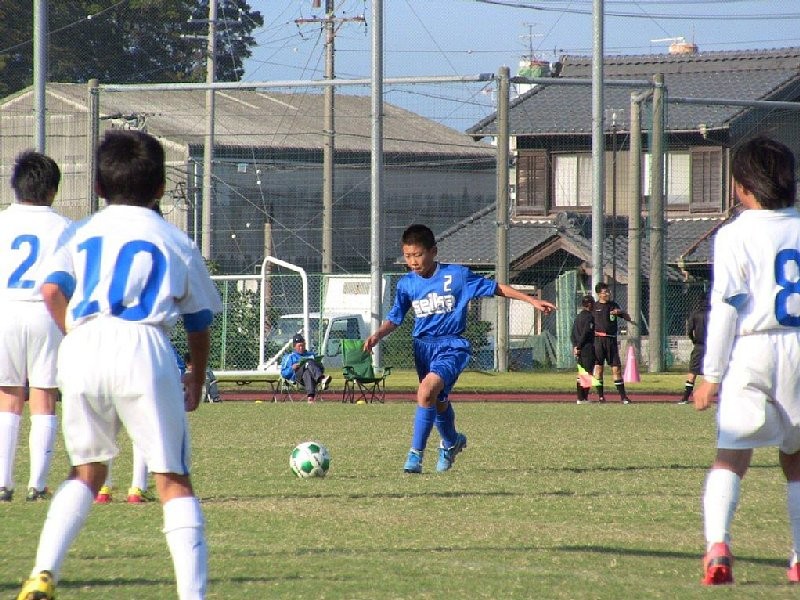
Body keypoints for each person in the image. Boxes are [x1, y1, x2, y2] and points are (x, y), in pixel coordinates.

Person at [16, 129, 222, 600]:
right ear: (160, 189)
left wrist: (74, 333)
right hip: (144, 345)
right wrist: (195, 375)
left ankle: (42, 573)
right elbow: (198, 321)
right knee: (172, 478)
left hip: (84, 344)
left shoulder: (80, 231)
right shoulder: (176, 240)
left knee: (86, 470)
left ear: (98, 187)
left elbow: (51, 289)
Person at [364, 224, 556, 474]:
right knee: (437, 400)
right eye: (408, 256)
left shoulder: (457, 276)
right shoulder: (406, 284)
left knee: (426, 391)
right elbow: (395, 317)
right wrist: (377, 334)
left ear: (433, 251)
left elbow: (496, 287)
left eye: (418, 255)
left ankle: (415, 455)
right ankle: (452, 442)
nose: (413, 261)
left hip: (452, 345)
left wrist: (531, 300)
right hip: (422, 348)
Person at [694, 135, 800, 586]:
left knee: (731, 457)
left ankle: (718, 545)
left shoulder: (735, 234)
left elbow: (726, 307)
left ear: (741, 186)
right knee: (796, 461)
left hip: (753, 348)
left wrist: (710, 374)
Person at [0, 151, 71, 503]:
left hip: (6, 311)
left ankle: (3, 483)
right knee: (44, 395)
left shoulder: (3, 222)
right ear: (53, 190)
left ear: (15, 186)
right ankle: (37, 485)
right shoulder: (65, 227)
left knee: (8, 396)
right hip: (47, 313)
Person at [95, 346, 187, 504]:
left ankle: (103, 489)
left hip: (104, 372)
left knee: (106, 431)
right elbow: (175, 366)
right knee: (141, 431)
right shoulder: (149, 335)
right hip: (136, 373)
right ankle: (137, 489)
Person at [592, 281, 633, 404]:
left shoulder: (613, 305)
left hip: (611, 340)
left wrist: (620, 312)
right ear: (599, 294)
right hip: (598, 341)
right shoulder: (594, 307)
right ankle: (600, 397)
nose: (608, 294)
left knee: (616, 369)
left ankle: (623, 397)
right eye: (605, 292)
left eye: (608, 291)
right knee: (599, 369)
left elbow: (627, 317)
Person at [280, 333, 332, 404]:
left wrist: (319, 364)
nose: (301, 348)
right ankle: (321, 380)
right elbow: (283, 373)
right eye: (299, 346)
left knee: (307, 371)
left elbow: (322, 369)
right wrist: (292, 368)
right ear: (294, 346)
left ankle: (310, 398)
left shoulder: (311, 355)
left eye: (303, 346)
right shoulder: (289, 357)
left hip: (312, 377)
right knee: (308, 362)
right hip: (298, 379)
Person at [678, 296, 709, 405]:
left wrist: (694, 340)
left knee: (693, 372)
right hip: (712, 347)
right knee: (713, 371)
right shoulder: (715, 314)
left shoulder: (696, 314)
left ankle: (685, 397)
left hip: (699, 346)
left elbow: (690, 331)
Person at [571, 294, 595, 404]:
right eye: (593, 303)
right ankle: (583, 398)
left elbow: (572, 334)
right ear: (589, 304)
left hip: (579, 348)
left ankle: (580, 397)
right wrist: (580, 346)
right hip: (587, 348)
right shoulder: (590, 317)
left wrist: (575, 346)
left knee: (581, 372)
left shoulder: (578, 316)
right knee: (588, 373)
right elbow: (586, 332)